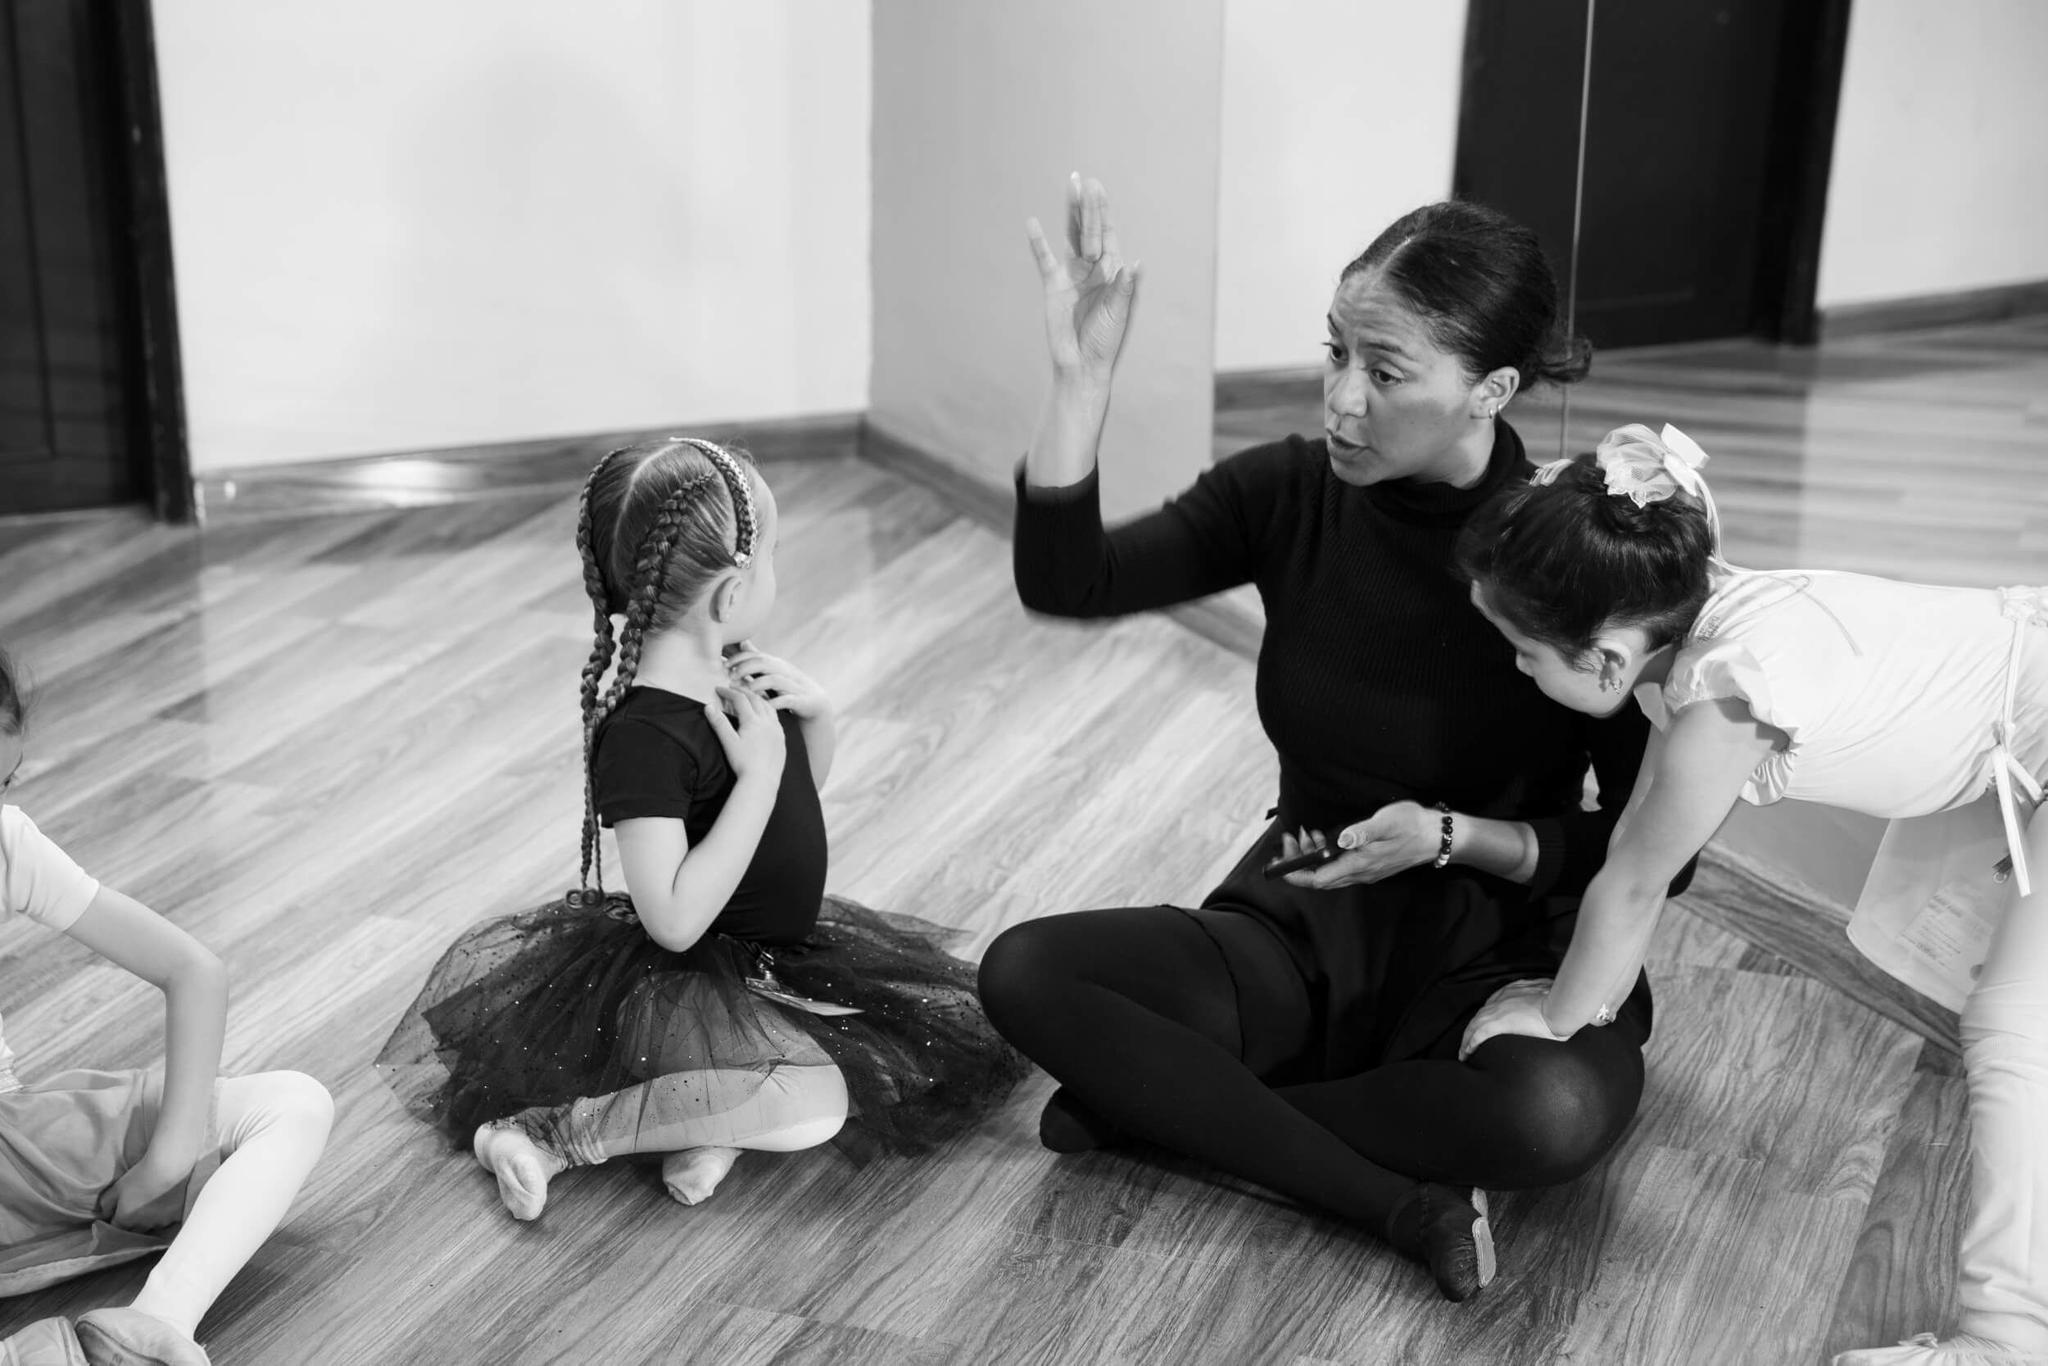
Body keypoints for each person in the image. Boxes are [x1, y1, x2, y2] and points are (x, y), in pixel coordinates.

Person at [976, 175, 1690, 1301]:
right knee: (1027, 969)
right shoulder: (1289, 493)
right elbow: (1069, 578)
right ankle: (1394, 1201)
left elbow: (1663, 854)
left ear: (1489, 388)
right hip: (1306, 913)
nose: (1340, 400)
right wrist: (1080, 383)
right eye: (1333, 354)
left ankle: (1176, 1110)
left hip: (1500, 949)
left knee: (1546, 1117)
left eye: (1385, 370)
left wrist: (1457, 835)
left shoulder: (1565, 549)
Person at [1459, 423, 2048, 1365]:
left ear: (1609, 657)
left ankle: (2011, 1342)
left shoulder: (1728, 696)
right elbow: (1630, 849)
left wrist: (1556, 1017)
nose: (1517, 670)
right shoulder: (1711, 629)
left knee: (2016, 1026)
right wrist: (1584, 999)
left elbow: (1642, 880)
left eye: (1523, 652)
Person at [378, 437, 1025, 1222]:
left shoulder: (736, 676)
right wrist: (754, 776)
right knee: (812, 1105)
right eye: (774, 555)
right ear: (728, 593)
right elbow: (676, 922)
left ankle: (707, 1112)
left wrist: (816, 719)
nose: (780, 572)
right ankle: (547, 1134)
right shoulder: (645, 739)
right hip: (682, 981)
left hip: (779, 960)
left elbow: (791, 813)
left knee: (914, 1054)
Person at [0, 646, 334, 1366]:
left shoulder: (7, 843)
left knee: (293, 1105)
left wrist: (165, 1161)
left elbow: (194, 972)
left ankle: (148, 1327)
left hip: (15, 1140)